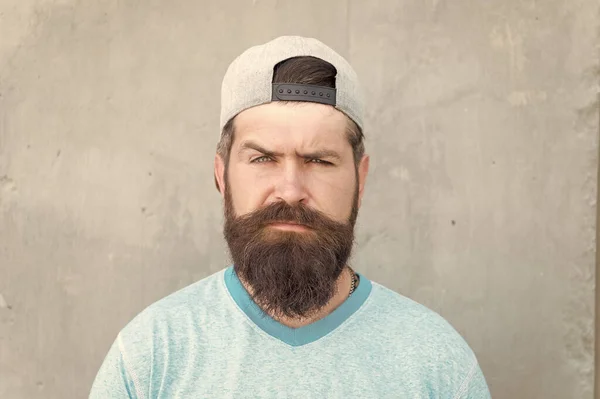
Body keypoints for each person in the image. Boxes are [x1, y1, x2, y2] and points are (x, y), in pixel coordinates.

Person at [89, 35, 491, 398]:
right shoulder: (149, 358)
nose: (291, 190)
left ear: (360, 178)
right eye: (263, 158)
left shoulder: (439, 366)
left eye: (319, 160)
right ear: (221, 175)